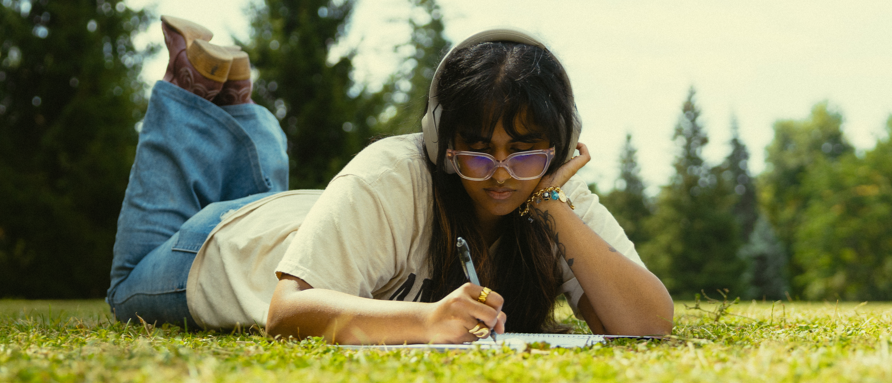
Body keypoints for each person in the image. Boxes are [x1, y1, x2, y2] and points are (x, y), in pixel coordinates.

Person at [107, 15, 673, 345]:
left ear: (559, 143)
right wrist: (425, 320)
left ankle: (234, 103)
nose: (502, 175)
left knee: (262, 191)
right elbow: (285, 310)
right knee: (125, 283)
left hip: (305, 213)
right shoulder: (391, 173)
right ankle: (187, 96)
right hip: (225, 249)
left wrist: (551, 204)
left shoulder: (552, 186)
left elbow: (649, 323)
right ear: (439, 142)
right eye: (478, 152)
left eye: (523, 154)